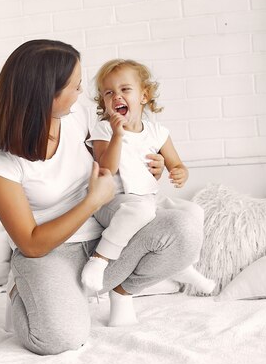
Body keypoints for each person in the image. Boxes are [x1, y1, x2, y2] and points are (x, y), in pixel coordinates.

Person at [0, 40, 204, 356]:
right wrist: (91, 202)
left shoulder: (78, 116)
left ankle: (113, 290)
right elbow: (30, 242)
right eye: (75, 86)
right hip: (50, 252)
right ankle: (22, 290)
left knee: (185, 228)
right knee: (59, 338)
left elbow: (119, 152)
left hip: (106, 238)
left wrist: (157, 164)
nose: (82, 94)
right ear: (47, 95)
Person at [81, 59, 216, 299]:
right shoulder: (103, 129)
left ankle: (183, 265)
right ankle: (100, 259)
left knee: (194, 211)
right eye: (109, 93)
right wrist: (117, 135)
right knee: (140, 210)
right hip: (112, 202)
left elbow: (176, 163)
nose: (116, 97)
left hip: (149, 200)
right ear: (103, 101)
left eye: (125, 89)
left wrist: (179, 172)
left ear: (144, 96)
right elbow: (106, 169)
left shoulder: (157, 132)